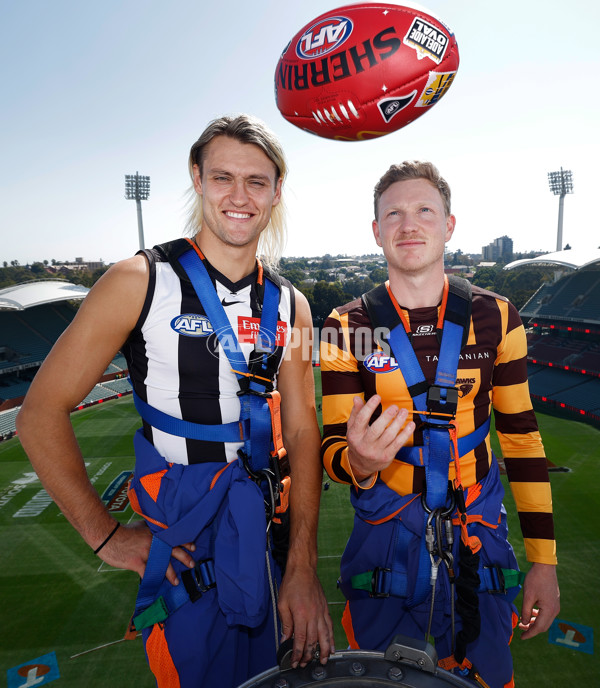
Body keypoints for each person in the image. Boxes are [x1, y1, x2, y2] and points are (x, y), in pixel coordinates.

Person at [17, 114, 334, 688]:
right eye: (222, 178)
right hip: (187, 536)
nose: (239, 196)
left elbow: (304, 431)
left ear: (277, 192)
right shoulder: (138, 279)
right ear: (197, 179)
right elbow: (39, 412)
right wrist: (106, 535)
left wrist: (304, 567)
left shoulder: (296, 305)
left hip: (269, 532)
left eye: (256, 182)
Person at [319, 161, 559, 687]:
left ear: (449, 225)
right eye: (394, 214)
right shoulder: (347, 326)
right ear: (376, 230)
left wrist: (544, 562)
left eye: (424, 210)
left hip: (478, 531)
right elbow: (333, 448)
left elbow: (521, 439)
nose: (409, 225)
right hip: (385, 533)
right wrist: (357, 462)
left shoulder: (498, 316)